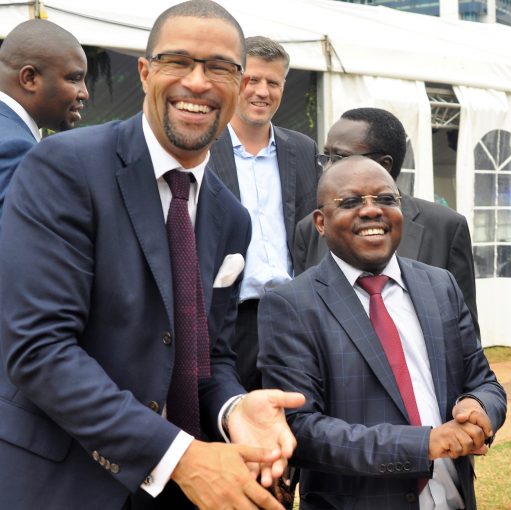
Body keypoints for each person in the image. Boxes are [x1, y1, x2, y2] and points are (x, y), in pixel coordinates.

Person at [0, 2, 304, 509]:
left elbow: (209, 356)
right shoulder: (64, 168)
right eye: (177, 61)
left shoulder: (231, 219)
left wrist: (233, 408)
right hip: (63, 483)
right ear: (145, 73)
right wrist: (180, 456)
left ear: (238, 83)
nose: (199, 82)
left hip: (181, 491)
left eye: (219, 68)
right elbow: (40, 349)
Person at [259, 155, 506, 509]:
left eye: (386, 199)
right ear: (320, 222)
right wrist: (425, 444)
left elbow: (484, 380)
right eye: (351, 202)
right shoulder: (291, 306)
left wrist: (479, 406)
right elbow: (301, 430)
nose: (372, 210)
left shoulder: (440, 285)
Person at [293, 107, 480, 336]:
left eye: (339, 158)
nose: (328, 168)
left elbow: (465, 338)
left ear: (384, 165)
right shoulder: (310, 228)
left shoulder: (445, 228)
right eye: (326, 157)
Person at [209, 35, 318, 391]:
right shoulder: (205, 147)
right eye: (252, 80)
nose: (262, 91)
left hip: (293, 314)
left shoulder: (301, 150)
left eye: (273, 82)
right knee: (229, 421)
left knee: (297, 422)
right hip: (229, 317)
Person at [0, 19, 88, 219]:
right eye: (74, 79)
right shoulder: (15, 149)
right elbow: (18, 244)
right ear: (29, 78)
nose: (84, 93)